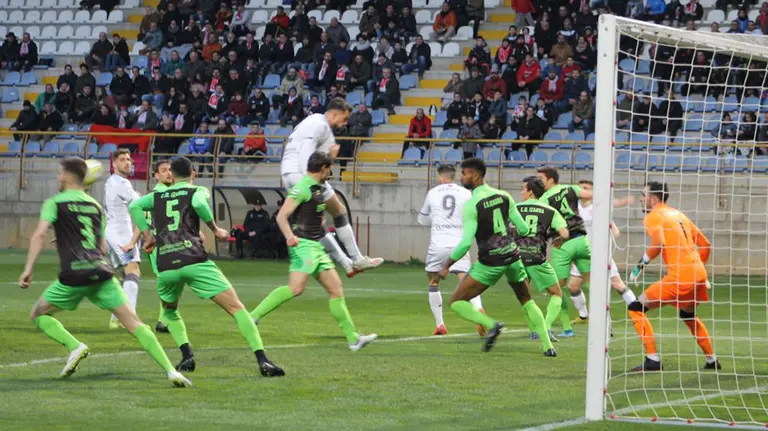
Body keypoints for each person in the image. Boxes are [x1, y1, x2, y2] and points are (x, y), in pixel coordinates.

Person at [18, 157, 192, 387]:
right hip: (101, 273)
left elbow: (39, 235)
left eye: (60, 173)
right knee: (134, 323)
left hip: (74, 275)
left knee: (38, 314)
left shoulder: (55, 202)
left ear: (69, 176)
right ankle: (171, 371)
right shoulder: (95, 206)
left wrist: (28, 269)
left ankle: (74, 346)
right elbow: (101, 247)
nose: (58, 177)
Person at [128, 157, 285, 377]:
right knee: (237, 308)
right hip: (194, 260)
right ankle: (263, 360)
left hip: (166, 265)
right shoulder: (197, 191)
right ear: (193, 174)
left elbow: (134, 205)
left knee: (170, 311)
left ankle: (187, 356)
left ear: (171, 175)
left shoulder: (158, 195)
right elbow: (200, 205)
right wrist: (214, 228)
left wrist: (147, 235)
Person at [250, 152, 378, 352]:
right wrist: (288, 236)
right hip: (303, 247)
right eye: (330, 169)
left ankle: (353, 338)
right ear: (324, 168)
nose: (330, 173)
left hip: (316, 247)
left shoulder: (317, 189)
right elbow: (282, 216)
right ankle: (252, 317)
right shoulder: (302, 187)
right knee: (295, 289)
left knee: (336, 290)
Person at [439, 158, 554, 355]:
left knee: (456, 302)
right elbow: (525, 229)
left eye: (464, 173)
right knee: (526, 300)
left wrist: (446, 265)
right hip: (512, 257)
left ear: (475, 175)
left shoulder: (472, 204)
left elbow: (466, 242)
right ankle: (548, 346)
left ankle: (491, 325)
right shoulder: (505, 196)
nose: (461, 177)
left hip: (489, 262)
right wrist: (507, 233)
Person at [279, 98, 383, 277]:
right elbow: (307, 154)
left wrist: (329, 156)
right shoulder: (319, 125)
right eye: (344, 118)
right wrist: (311, 185)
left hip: (288, 173)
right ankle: (356, 259)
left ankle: (348, 263)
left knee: (316, 225)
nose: (344, 124)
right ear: (335, 113)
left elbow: (321, 161)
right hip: (302, 174)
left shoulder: (315, 124)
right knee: (339, 210)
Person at [627, 182, 719, 372]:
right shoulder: (679, 215)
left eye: (643, 195)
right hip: (698, 273)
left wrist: (639, 265)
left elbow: (659, 242)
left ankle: (652, 360)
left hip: (681, 276)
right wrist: (699, 269)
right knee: (688, 315)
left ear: (653, 198)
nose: (641, 199)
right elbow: (705, 244)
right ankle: (712, 360)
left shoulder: (654, 216)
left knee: (635, 307)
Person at [418, 164, 484, 335]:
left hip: (438, 243)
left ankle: (440, 325)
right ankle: (478, 311)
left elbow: (422, 220)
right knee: (467, 281)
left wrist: (436, 218)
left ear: (441, 177)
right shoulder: (466, 193)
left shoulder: (432, 193)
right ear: (454, 177)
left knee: (433, 282)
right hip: (459, 243)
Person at [565, 180, 636, 337]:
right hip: (581, 255)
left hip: (600, 255)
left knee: (616, 285)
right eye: (580, 188)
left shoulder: (598, 207)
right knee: (573, 286)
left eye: (586, 188)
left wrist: (610, 234)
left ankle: (637, 309)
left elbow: (615, 230)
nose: (582, 190)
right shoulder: (573, 209)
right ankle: (584, 316)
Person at [516, 176, 569, 342]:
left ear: (531, 192)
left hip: (517, 258)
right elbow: (565, 233)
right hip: (536, 257)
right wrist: (560, 240)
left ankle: (533, 330)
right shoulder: (549, 210)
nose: (521, 192)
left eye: (523, 189)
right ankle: (545, 326)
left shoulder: (515, 208)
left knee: (525, 296)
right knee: (556, 293)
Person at [103, 149, 142, 330]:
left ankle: (115, 317)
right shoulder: (121, 183)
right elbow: (138, 204)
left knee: (124, 277)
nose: (127, 163)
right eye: (123, 160)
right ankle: (130, 320)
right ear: (114, 164)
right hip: (122, 232)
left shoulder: (110, 182)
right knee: (133, 271)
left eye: (129, 160)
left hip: (111, 232)